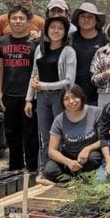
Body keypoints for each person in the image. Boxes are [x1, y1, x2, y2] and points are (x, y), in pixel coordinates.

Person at [25, 16, 77, 169]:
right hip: (41, 98)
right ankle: (47, 169)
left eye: (60, 28)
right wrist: (29, 99)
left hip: (60, 98)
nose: (56, 31)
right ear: (46, 30)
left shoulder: (68, 51)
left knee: (61, 135)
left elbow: (69, 81)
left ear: (65, 32)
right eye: (52, 27)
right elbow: (34, 75)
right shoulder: (40, 50)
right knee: (45, 136)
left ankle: (65, 169)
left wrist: (44, 85)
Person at [0, 6, 39, 174]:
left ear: (29, 22)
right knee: (11, 133)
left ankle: (32, 167)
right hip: (9, 94)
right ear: (9, 21)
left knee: (30, 133)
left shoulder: (34, 42)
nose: (18, 21)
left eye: (21, 18)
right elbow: (0, 68)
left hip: (29, 95)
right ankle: (15, 167)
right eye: (14, 18)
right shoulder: (1, 42)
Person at [44, 84, 102, 182]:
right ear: (62, 102)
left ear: (81, 97)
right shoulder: (59, 120)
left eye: (75, 97)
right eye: (66, 99)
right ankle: (72, 179)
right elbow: (52, 151)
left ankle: (85, 178)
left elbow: (104, 140)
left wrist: (88, 149)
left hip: (89, 156)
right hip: (69, 156)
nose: (71, 101)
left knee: (94, 158)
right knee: (50, 170)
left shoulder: (95, 112)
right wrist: (68, 162)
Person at [69, 2, 108, 106]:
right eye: (83, 16)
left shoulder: (104, 38)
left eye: (90, 17)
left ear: (96, 21)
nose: (86, 20)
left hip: (98, 92)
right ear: (78, 19)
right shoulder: (71, 38)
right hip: (74, 91)